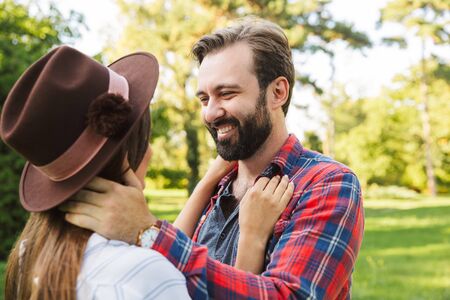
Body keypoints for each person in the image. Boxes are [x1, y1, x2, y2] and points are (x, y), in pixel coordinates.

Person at [63, 17, 365, 299]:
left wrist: (148, 232)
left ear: (277, 92)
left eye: (227, 94)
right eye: (205, 98)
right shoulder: (218, 187)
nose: (210, 113)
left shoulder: (327, 184)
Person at [1, 46, 292, 299]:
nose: (151, 152)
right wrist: (251, 238)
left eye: (226, 93)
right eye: (147, 138)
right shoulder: (142, 275)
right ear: (129, 153)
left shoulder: (31, 252)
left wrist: (205, 183)